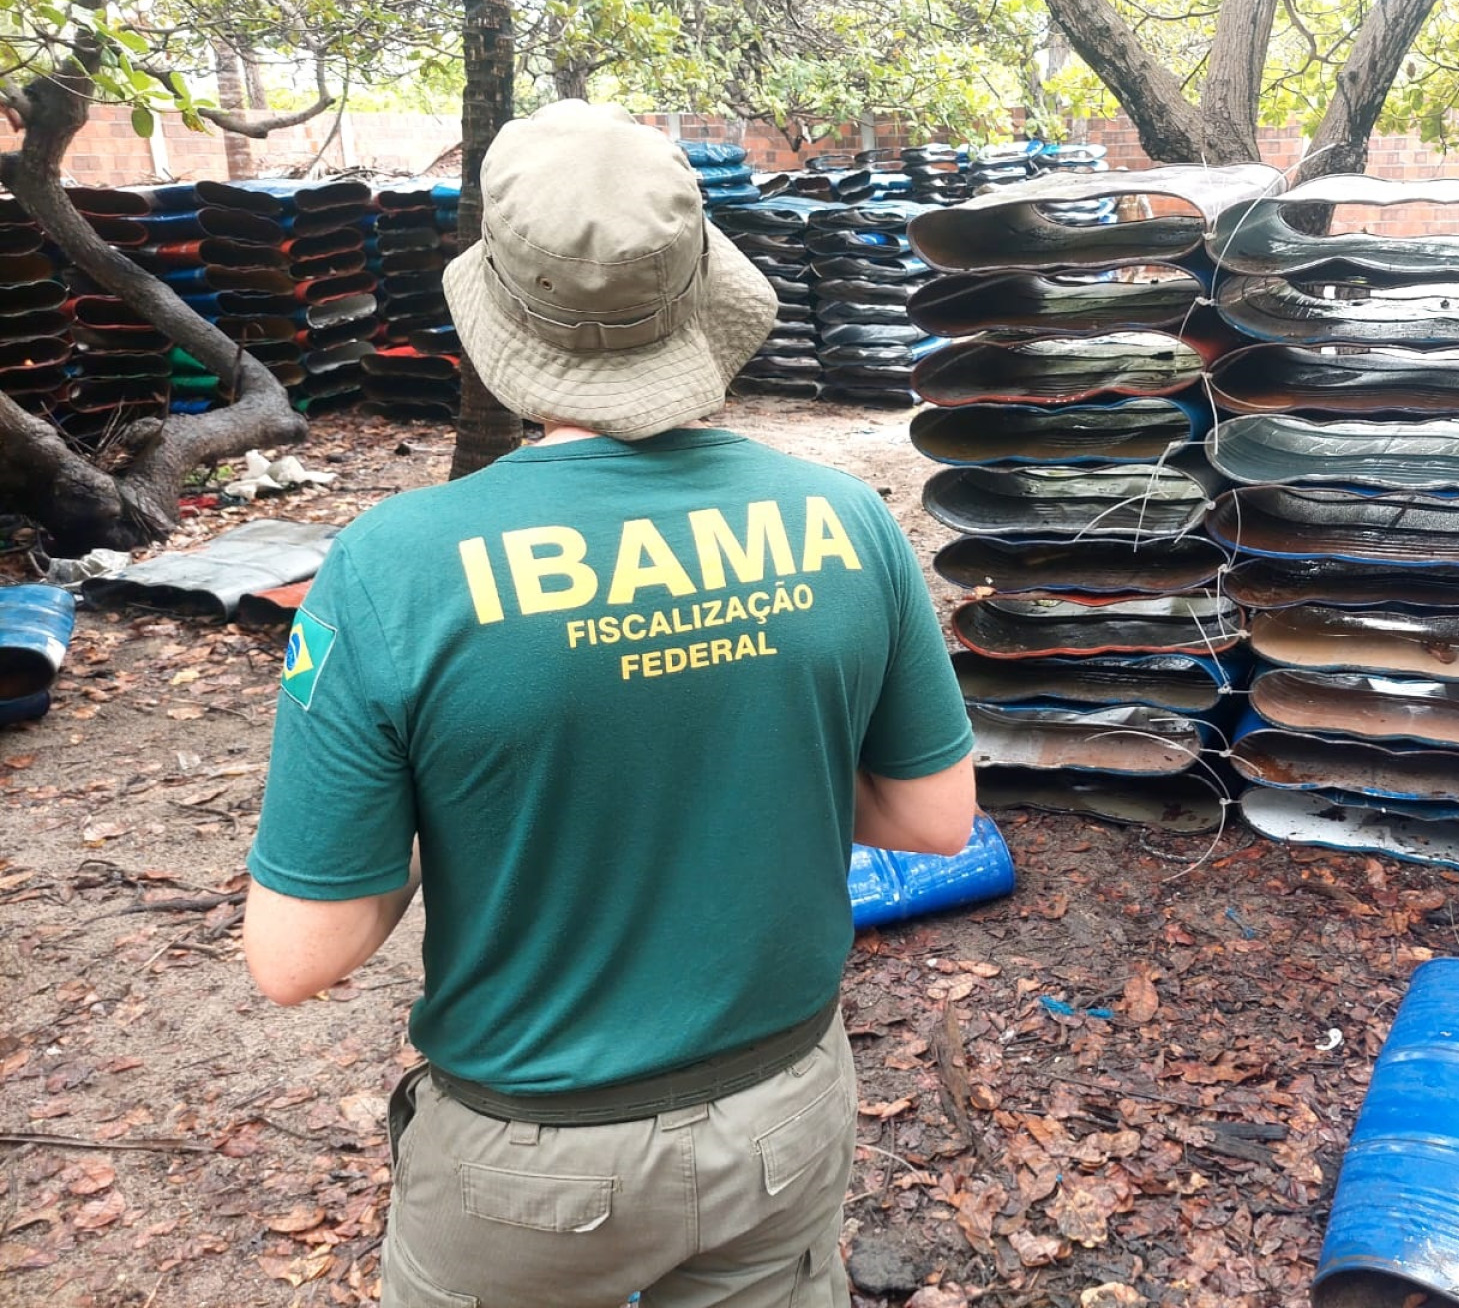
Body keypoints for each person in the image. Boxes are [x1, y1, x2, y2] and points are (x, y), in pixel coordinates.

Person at [240, 99, 977, 1308]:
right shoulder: (845, 521)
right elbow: (934, 819)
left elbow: (295, 953)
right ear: (700, 293)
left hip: (526, 1172)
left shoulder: (395, 567)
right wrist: (735, 759)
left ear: (497, 312)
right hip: (782, 1115)